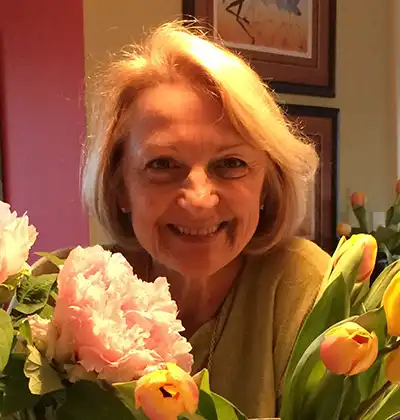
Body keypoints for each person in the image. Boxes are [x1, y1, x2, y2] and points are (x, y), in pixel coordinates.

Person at [34, 21, 330, 418]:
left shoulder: (304, 285)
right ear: (120, 185)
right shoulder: (63, 289)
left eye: (231, 164)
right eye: (162, 164)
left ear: (267, 184)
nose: (199, 199)